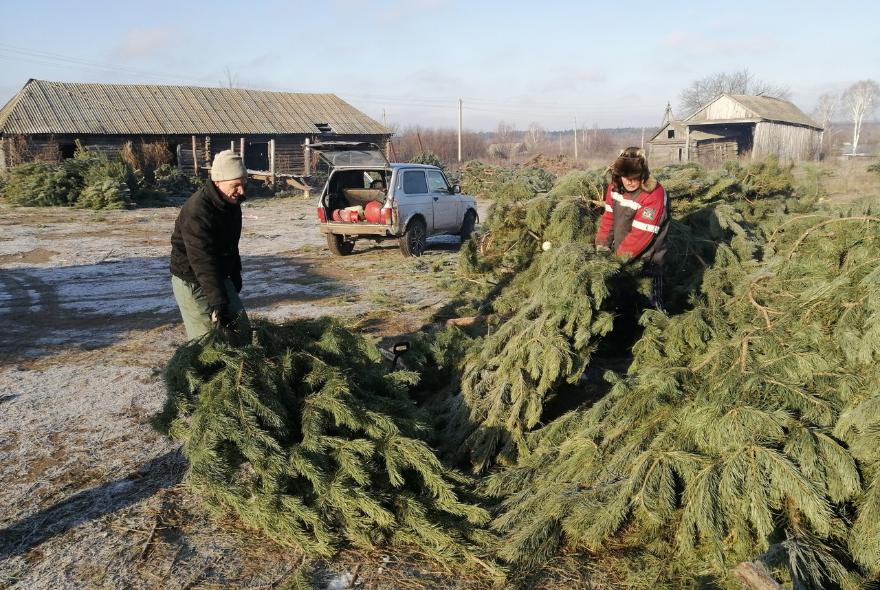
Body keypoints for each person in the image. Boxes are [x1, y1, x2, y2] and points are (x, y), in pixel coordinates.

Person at [170, 150, 250, 340]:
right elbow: (201, 260)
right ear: (217, 181)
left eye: (244, 184)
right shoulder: (197, 211)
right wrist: (218, 303)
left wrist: (235, 273)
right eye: (235, 185)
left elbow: (231, 243)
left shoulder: (230, 204)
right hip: (192, 279)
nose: (242, 191)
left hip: (218, 275)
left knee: (241, 328)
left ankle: (242, 368)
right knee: (207, 340)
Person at [595, 147, 669, 310]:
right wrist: (602, 246)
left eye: (633, 177)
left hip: (648, 262)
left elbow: (640, 236)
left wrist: (615, 261)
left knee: (650, 308)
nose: (628, 181)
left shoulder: (654, 194)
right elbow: (608, 218)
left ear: (642, 174)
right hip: (622, 257)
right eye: (625, 176)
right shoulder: (614, 188)